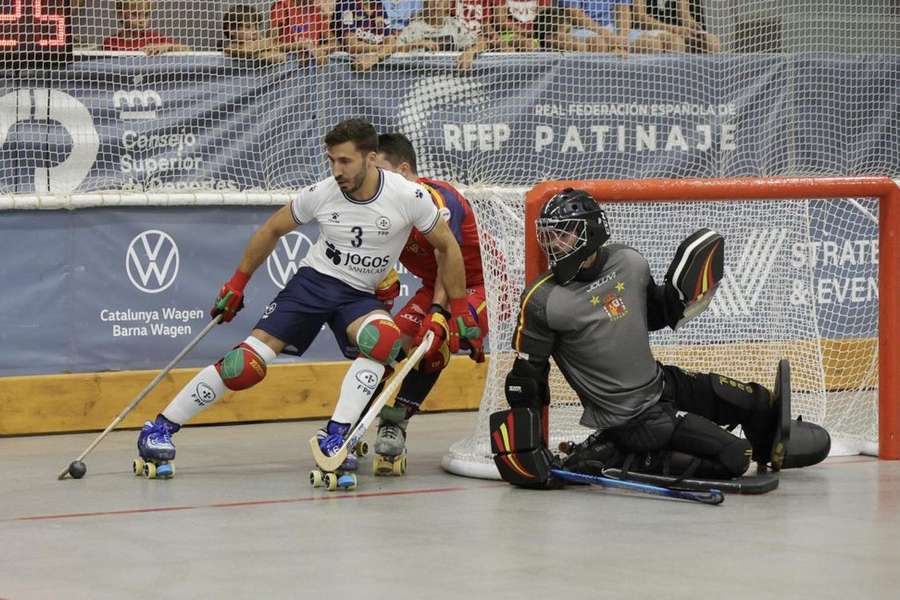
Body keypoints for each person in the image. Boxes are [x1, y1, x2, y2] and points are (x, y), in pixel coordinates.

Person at [135, 119, 480, 477]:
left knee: (383, 342)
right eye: (331, 160)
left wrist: (456, 309)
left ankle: (335, 435)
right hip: (313, 285)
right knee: (245, 366)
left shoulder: (409, 196)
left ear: (372, 158)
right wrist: (237, 283)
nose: (336, 170)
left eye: (345, 161)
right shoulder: (322, 193)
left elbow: (447, 246)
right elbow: (272, 229)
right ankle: (159, 428)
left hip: (359, 295)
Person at [491, 188, 831, 489]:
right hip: (631, 418)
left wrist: (681, 297)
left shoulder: (629, 262)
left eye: (563, 234)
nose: (553, 244)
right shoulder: (542, 300)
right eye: (549, 236)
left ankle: (775, 448)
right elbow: (527, 381)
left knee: (756, 401)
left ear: (591, 230)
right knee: (735, 456)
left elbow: (652, 315)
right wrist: (529, 449)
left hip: (659, 383)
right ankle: (616, 454)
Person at [370, 133, 487, 474]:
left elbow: (446, 262)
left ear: (404, 170)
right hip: (431, 284)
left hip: (480, 285)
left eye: (381, 172)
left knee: (433, 343)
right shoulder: (379, 206)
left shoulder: (438, 198)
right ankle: (352, 420)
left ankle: (396, 423)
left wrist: (438, 313)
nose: (374, 182)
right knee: (386, 344)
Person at [331, 0, 437, 71]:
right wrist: (381, 49)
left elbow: (391, 43)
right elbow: (351, 45)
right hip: (352, 71)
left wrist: (375, 57)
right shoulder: (346, 4)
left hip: (378, 68)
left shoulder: (379, 5)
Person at [558, 0, 685, 54]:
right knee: (598, 44)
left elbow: (623, 9)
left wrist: (622, 39)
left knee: (656, 44)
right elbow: (574, 14)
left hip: (613, 30)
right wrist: (609, 37)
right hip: (583, 29)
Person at [397, 0, 492, 71]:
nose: (435, 4)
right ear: (424, 2)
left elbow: (482, 41)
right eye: (432, 0)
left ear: (449, 4)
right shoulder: (413, 28)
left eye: (441, 0)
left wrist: (470, 53)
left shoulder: (454, 26)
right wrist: (416, 44)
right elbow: (395, 49)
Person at [102, 0, 190, 54]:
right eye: (134, 14)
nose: (141, 20)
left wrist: (167, 47)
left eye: (146, 14)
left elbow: (187, 50)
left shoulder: (154, 38)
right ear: (121, 14)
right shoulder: (110, 42)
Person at [632, 0, 719, 53]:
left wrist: (695, 30)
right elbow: (639, 17)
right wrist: (673, 29)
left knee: (711, 42)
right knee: (676, 42)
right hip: (649, 29)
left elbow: (684, 14)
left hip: (677, 30)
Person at [269, 0, 337, 65]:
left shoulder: (316, 11)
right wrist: (304, 46)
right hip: (289, 63)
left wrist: (317, 49)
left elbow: (335, 43)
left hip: (311, 64)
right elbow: (273, 44)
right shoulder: (281, 6)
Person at [223, 4, 287, 64]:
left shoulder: (260, 46)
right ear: (231, 29)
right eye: (248, 27)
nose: (255, 32)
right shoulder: (230, 47)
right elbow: (239, 50)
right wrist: (264, 47)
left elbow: (280, 57)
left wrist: (262, 41)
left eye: (256, 28)